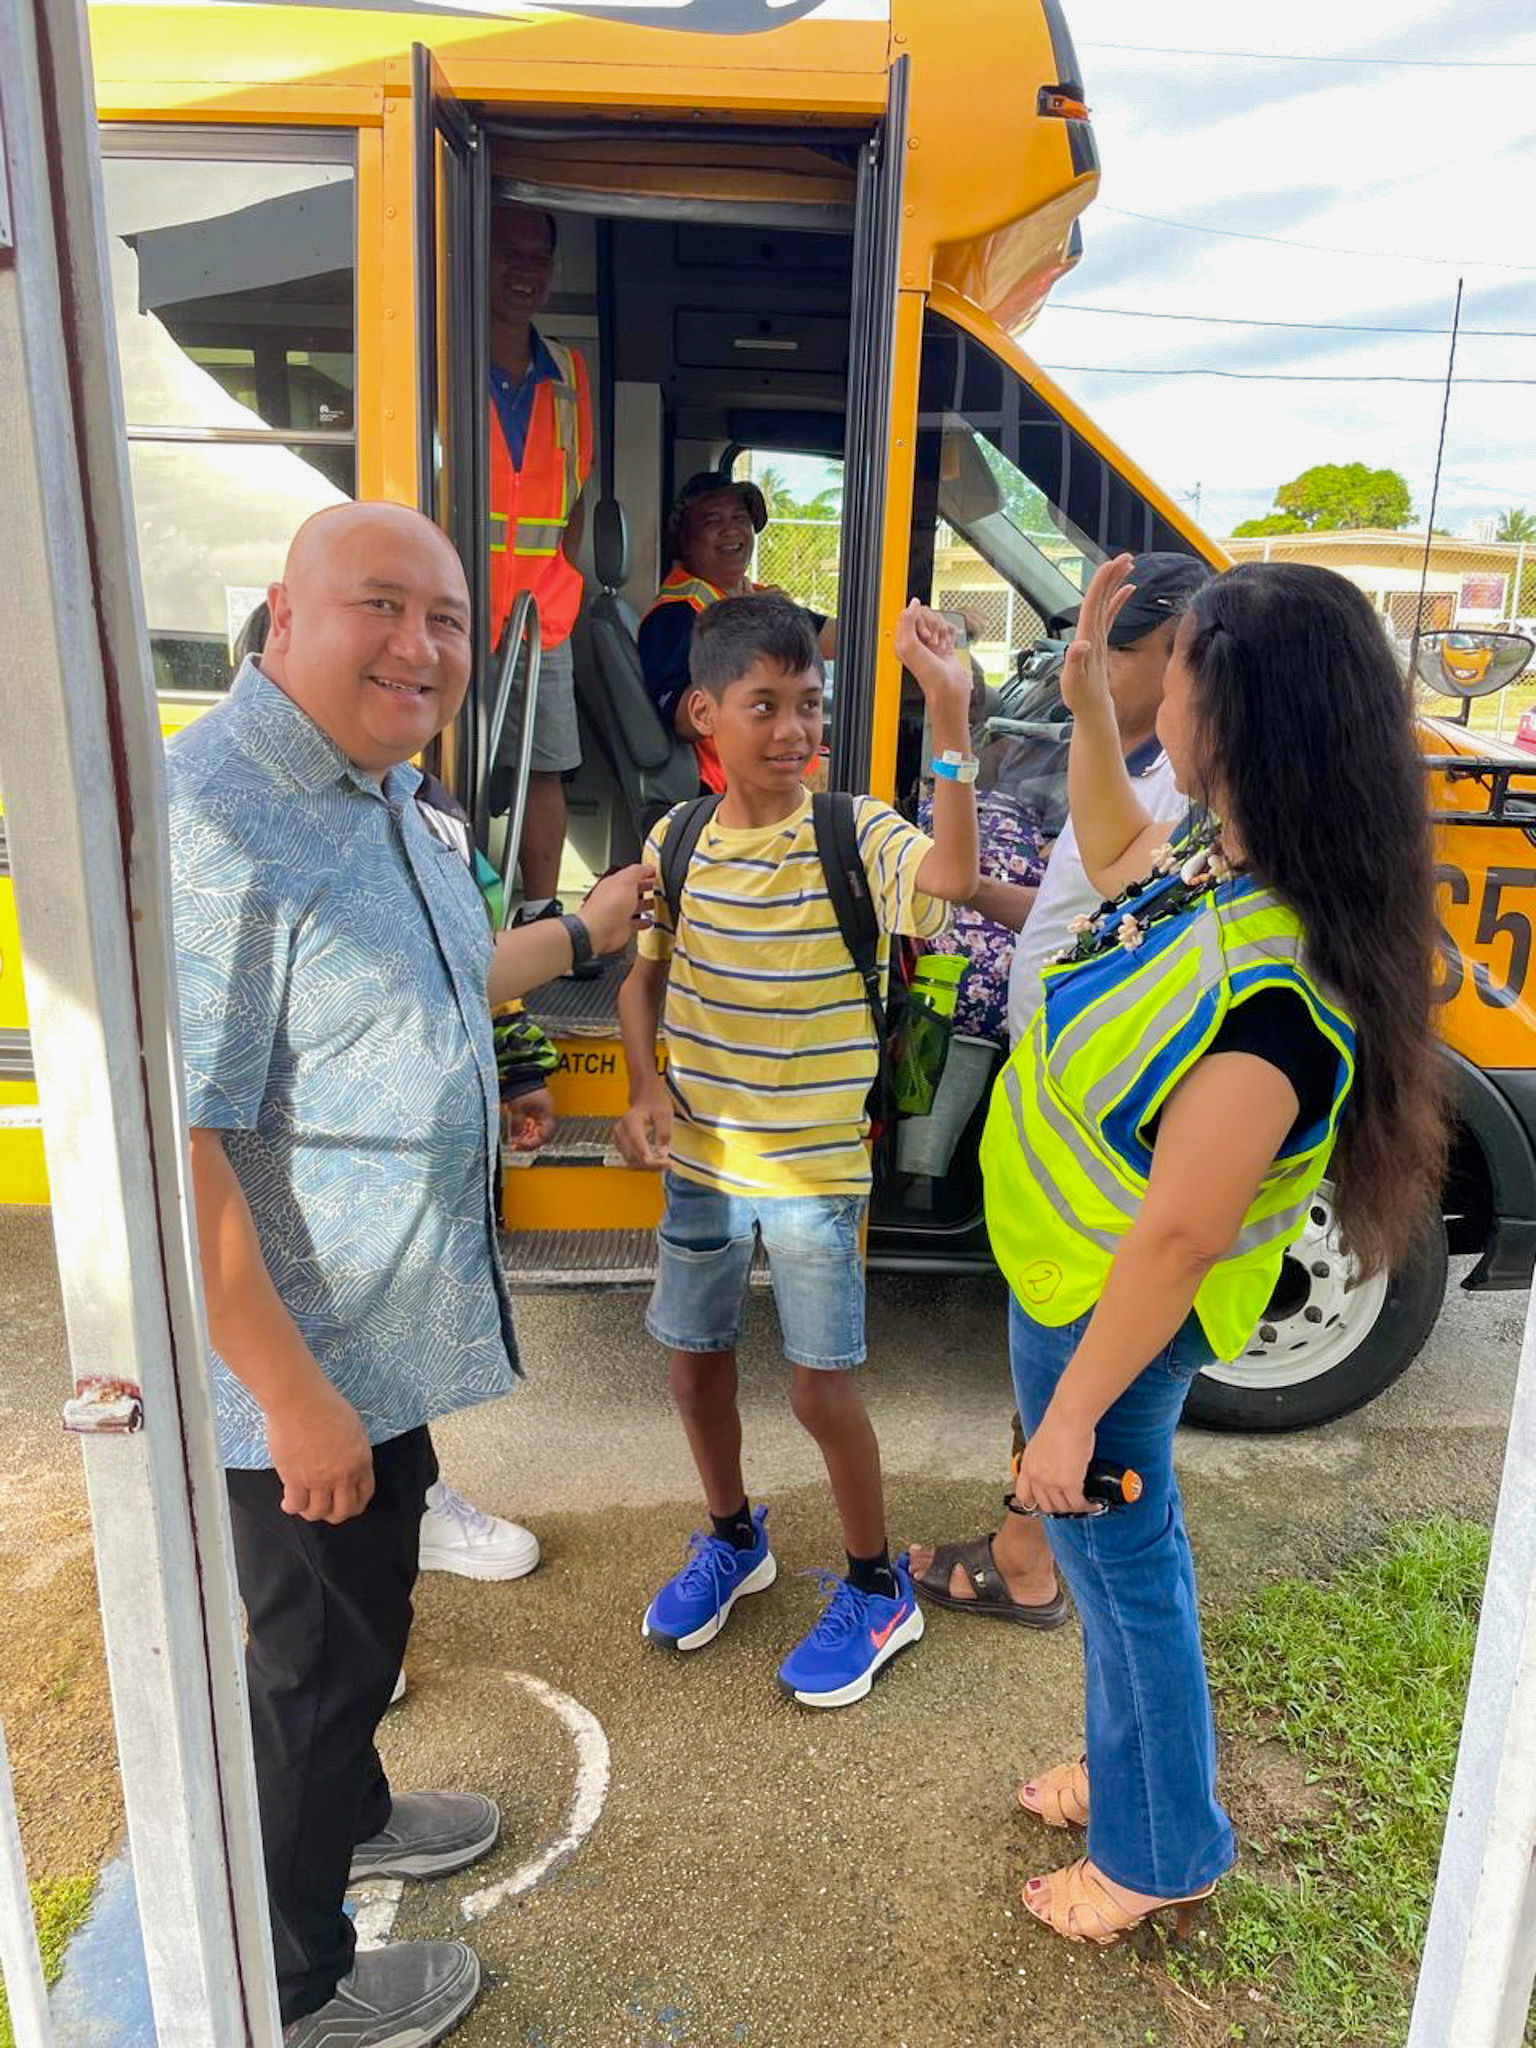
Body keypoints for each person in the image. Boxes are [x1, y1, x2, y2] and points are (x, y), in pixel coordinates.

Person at [171, 502, 649, 2045]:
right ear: (281, 614)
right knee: (313, 1668)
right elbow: (184, 1155)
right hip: (297, 1372)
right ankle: (293, 1987)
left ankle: (357, 1814)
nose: (422, 646)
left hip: (383, 1340)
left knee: (362, 1622)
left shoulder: (383, 790)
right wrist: (293, 1397)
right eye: (382, 606)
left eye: (445, 618)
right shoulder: (222, 820)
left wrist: (573, 936)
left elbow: (447, 970)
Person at [983, 554, 1446, 1942]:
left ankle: (1158, 1852)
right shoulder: (1224, 848)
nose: (1156, 693)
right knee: (1119, 1576)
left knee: (1130, 1583)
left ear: (1231, 714)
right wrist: (1082, 710)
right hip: (1071, 1290)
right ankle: (1131, 1788)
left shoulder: (1277, 994)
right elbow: (1119, 852)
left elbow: (1182, 1236)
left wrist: (1065, 1422)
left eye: (1169, 672)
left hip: (1107, 1327)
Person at [613, 595, 977, 1705]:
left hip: (816, 1170)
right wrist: (644, 1082)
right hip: (706, 1168)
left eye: (806, 704)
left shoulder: (855, 829)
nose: (790, 727)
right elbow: (644, 974)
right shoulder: (674, 841)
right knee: (692, 1364)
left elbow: (953, 883)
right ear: (702, 715)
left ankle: (878, 1585)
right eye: (762, 704)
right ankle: (734, 1535)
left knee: (822, 1394)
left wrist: (949, 713)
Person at [907, 553, 1211, 1620]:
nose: (1077, 671)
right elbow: (1085, 893)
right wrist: (998, 896)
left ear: (1174, 656)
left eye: (1103, 652)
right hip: (1057, 1096)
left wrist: (953, 720)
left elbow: (1123, 880)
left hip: (1089, 1115)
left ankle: (1030, 1556)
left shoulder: (1176, 785)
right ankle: (1024, 1539)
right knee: (1049, 1326)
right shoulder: (1132, 763)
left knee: (1065, 1335)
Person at [230, 597, 555, 1587]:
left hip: (406, 1194)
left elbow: (469, 952)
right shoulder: (236, 822)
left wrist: (516, 1070)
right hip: (302, 1213)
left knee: (392, 1356)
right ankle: (319, 1578)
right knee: (302, 1506)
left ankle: (398, 1517)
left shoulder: (430, 812)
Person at [484, 200, 594, 918]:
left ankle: (540, 912)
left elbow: (577, 493)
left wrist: (563, 578)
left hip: (543, 611)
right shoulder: (439, 350)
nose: (525, 272)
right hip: (455, 603)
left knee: (545, 764)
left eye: (538, 258)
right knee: (449, 759)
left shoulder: (569, 373)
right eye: (509, 253)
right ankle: (457, 907)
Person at [638, 471, 837, 792]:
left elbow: (850, 639)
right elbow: (683, 719)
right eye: (712, 520)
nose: (731, 529)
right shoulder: (675, 614)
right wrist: (757, 636)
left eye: (740, 517)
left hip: (789, 772)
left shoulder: (751, 597)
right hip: (739, 792)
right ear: (685, 540)